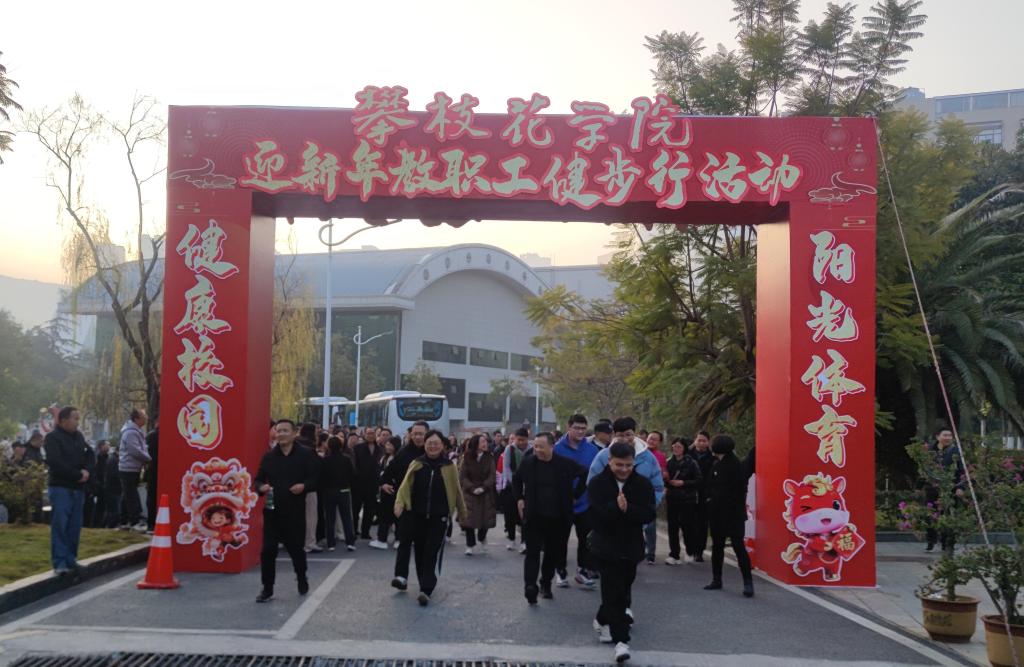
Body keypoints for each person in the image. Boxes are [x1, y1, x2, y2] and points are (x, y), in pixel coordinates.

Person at [588, 440, 656, 663]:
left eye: (628, 465)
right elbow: (595, 516)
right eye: (619, 465)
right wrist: (615, 508)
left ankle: (601, 618)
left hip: (631, 546)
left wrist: (628, 510)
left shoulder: (642, 484)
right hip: (605, 546)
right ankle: (621, 641)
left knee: (623, 589)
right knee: (613, 591)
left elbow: (649, 514)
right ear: (609, 462)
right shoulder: (598, 483)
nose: (624, 469)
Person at [391, 429, 467, 606]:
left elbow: (456, 490)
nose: (433, 446)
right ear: (424, 445)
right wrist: (399, 503)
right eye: (429, 443)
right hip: (417, 516)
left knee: (431, 552)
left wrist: (462, 512)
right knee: (419, 552)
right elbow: (405, 486)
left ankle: (426, 589)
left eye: (436, 443)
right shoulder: (417, 463)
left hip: (439, 517)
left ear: (442, 445)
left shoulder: (449, 466)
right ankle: (423, 584)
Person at [513, 431, 587, 604]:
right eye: (535, 446)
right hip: (534, 516)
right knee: (532, 553)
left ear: (552, 446)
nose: (537, 450)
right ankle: (530, 586)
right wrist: (520, 499)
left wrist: (576, 495)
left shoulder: (565, 464)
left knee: (551, 554)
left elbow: (584, 474)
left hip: (558, 518)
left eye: (541, 447)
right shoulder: (529, 462)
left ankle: (545, 584)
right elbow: (516, 479)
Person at [254, 419, 320, 603]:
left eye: (285, 430)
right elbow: (257, 480)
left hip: (295, 512)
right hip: (272, 512)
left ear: (294, 433)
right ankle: (267, 588)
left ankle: (301, 577)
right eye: (278, 430)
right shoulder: (269, 457)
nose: (281, 434)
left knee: (296, 551)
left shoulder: (306, 454)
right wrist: (261, 488)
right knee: (268, 551)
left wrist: (304, 486)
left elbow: (316, 478)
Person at [588, 418, 665, 565]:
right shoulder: (603, 456)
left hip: (634, 526)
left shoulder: (648, 458)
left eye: (628, 434)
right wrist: (610, 509)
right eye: (620, 435)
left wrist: (641, 510)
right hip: (607, 527)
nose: (625, 439)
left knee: (627, 570)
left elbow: (657, 488)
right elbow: (592, 487)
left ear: (634, 434)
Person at [553, 414, 602, 588]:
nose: (580, 431)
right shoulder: (557, 449)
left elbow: (596, 476)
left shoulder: (592, 451)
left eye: (583, 428)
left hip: (585, 502)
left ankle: (582, 571)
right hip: (562, 503)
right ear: (568, 428)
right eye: (577, 428)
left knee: (585, 540)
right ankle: (560, 571)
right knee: (561, 539)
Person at [703, 434, 755, 598]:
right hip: (729, 512)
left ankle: (723, 580)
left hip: (726, 512)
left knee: (727, 546)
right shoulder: (729, 463)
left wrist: (710, 498)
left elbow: (715, 487)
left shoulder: (727, 465)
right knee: (730, 546)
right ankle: (740, 582)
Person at [44, 407, 92, 575]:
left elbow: (89, 454)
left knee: (74, 526)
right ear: (63, 420)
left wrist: (87, 471)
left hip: (78, 488)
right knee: (60, 525)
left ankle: (71, 559)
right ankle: (60, 562)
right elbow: (55, 462)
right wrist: (77, 475)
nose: (77, 422)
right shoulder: (52, 438)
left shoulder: (79, 437)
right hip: (61, 487)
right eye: (75, 418)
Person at [376, 421, 428, 549]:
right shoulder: (404, 452)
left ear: (427, 434)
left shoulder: (432, 450)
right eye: (415, 434)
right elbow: (389, 471)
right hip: (406, 494)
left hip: (426, 496)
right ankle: (401, 539)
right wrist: (383, 483)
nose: (417, 437)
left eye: (421, 434)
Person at [923, 427, 966, 552]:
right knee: (930, 514)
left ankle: (946, 543)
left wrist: (960, 487)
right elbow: (924, 470)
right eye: (945, 435)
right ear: (938, 437)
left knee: (948, 516)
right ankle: (931, 540)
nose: (947, 438)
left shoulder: (955, 451)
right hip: (933, 488)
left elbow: (961, 470)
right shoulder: (930, 451)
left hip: (950, 488)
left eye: (949, 435)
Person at [664, 437, 702, 564]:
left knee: (688, 526)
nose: (676, 449)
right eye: (674, 446)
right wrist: (666, 481)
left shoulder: (691, 463)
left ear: (684, 448)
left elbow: (698, 480)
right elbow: (665, 481)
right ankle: (674, 554)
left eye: (679, 446)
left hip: (687, 499)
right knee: (672, 527)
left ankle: (690, 551)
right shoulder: (668, 462)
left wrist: (683, 483)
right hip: (672, 498)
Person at [459, 434, 497, 555]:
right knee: (469, 521)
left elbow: (492, 475)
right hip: (470, 492)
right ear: (475, 444)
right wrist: (471, 488)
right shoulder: (466, 457)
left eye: (485, 441)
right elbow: (463, 476)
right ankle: (470, 544)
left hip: (485, 492)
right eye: (482, 442)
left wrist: (484, 487)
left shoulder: (489, 457)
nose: (485, 444)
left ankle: (482, 537)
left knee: (486, 519)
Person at [118, 408, 151, 532]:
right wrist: (148, 458)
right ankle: (134, 521)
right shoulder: (131, 432)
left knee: (127, 494)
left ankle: (124, 520)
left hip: (132, 467)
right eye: (143, 416)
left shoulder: (136, 431)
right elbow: (135, 450)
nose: (146, 418)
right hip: (128, 468)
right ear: (136, 419)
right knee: (131, 495)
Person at [322, 435, 357, 552]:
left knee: (330, 518)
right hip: (344, 490)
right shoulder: (346, 459)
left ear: (329, 446)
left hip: (329, 491)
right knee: (346, 518)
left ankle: (331, 543)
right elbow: (352, 475)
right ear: (341, 446)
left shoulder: (325, 460)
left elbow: (321, 476)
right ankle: (350, 542)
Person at [500, 427, 531, 552]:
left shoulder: (532, 449)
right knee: (510, 514)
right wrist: (513, 482)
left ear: (527, 439)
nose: (521, 442)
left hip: (528, 487)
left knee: (525, 515)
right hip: (511, 486)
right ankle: (511, 538)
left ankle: (524, 541)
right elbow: (506, 468)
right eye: (519, 440)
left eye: (523, 440)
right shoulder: (509, 449)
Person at [353, 427, 385, 540]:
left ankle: (365, 532)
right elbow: (354, 465)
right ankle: (354, 531)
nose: (370, 435)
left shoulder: (380, 449)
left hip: (373, 484)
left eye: (372, 433)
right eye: (368, 433)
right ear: (364, 435)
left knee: (370, 510)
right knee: (356, 508)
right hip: (359, 483)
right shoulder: (358, 448)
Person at [370, 435, 401, 549]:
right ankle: (382, 539)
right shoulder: (384, 458)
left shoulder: (398, 458)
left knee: (397, 516)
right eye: (387, 444)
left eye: (390, 445)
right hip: (384, 491)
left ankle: (398, 539)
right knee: (384, 516)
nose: (387, 447)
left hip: (395, 489)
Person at [296, 422, 322, 553]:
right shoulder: (310, 448)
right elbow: (315, 467)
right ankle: (309, 543)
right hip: (308, 487)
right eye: (316, 430)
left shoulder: (295, 444)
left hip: (294, 485)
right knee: (311, 516)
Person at [690, 431, 714, 562]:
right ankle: (691, 547)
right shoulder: (687, 455)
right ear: (695, 441)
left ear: (708, 442)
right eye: (699, 440)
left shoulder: (712, 457)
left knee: (702, 523)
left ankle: (699, 551)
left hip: (705, 494)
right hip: (689, 492)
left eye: (704, 441)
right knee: (690, 522)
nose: (701, 443)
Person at [88, 440, 111, 528]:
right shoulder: (98, 457)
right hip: (99, 485)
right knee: (98, 506)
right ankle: (95, 524)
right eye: (107, 445)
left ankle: (100, 523)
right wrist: (96, 484)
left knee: (102, 506)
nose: (109, 446)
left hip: (103, 485)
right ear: (101, 446)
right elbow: (96, 471)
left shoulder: (106, 457)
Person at [144, 426, 159, 532]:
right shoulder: (154, 435)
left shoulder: (151, 435)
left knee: (151, 497)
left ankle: (151, 523)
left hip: (152, 470)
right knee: (152, 497)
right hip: (155, 469)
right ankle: (151, 523)